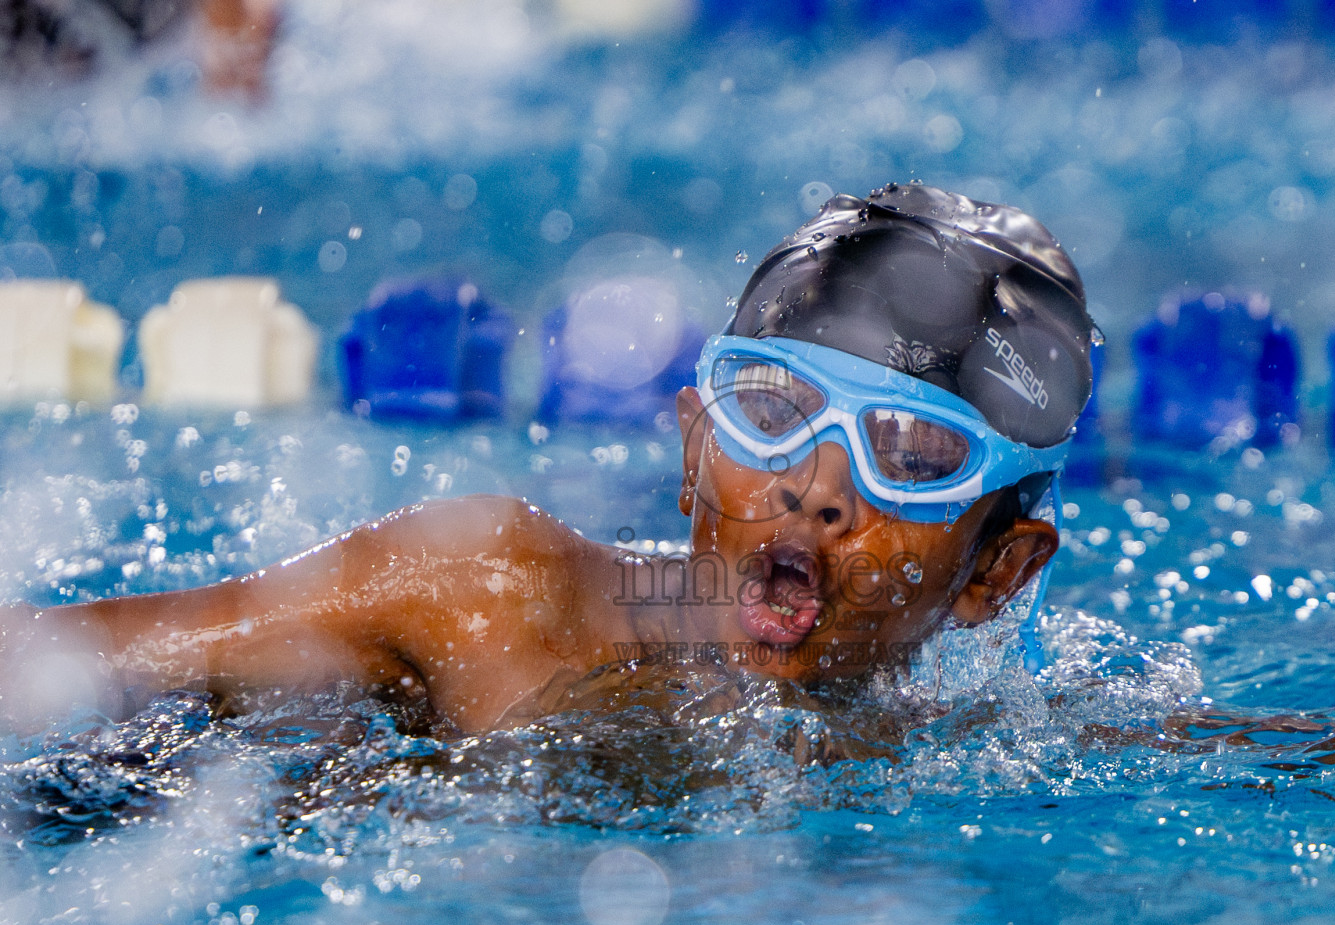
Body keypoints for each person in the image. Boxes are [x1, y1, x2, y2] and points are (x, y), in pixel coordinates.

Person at [0, 184, 1098, 735]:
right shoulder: (493, 598)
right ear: (694, 443)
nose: (814, 487)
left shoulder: (1001, 750)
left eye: (910, 453)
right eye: (774, 410)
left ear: (999, 571)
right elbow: (48, 664)